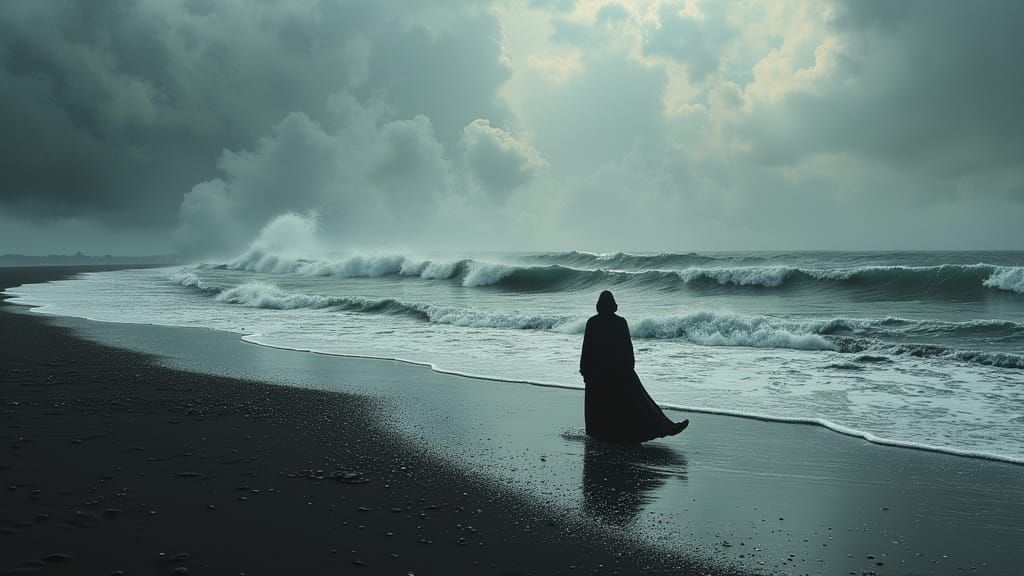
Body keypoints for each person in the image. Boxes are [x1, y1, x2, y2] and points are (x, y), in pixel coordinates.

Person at [580, 290, 688, 443]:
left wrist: (584, 370)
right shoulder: (620, 322)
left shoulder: (592, 322)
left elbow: (587, 349)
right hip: (618, 370)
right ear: (613, 305)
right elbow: (627, 347)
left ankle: (600, 433)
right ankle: (664, 427)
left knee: (599, 406)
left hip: (597, 372)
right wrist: (630, 368)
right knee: (640, 402)